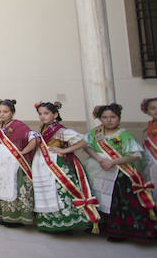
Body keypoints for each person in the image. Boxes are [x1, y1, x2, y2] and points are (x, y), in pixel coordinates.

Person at [84, 103, 156, 242]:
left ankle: (120, 230)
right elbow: (86, 146)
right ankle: (101, 224)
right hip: (98, 172)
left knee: (117, 201)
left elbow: (135, 155)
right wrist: (99, 159)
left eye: (113, 117)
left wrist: (112, 162)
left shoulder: (124, 135)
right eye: (105, 117)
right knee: (99, 197)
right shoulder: (96, 132)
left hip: (120, 173)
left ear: (119, 118)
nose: (109, 120)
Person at [31, 101, 99, 233]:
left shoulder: (59, 130)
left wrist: (64, 150)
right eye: (40, 114)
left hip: (56, 164)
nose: (43, 116)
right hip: (42, 164)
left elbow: (84, 141)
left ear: (55, 114)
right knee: (46, 191)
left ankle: (66, 224)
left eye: (46, 113)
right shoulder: (44, 127)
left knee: (59, 192)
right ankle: (50, 222)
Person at [0, 99, 37, 226]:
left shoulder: (19, 126)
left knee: (13, 186)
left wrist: (23, 152)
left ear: (12, 112)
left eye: (5, 112)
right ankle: (1, 214)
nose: (2, 114)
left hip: (13, 163)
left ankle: (15, 217)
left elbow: (34, 138)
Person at [140, 98, 157, 205]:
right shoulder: (147, 128)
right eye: (152, 108)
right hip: (152, 163)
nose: (156, 111)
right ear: (147, 111)